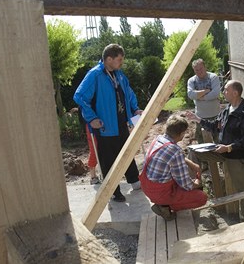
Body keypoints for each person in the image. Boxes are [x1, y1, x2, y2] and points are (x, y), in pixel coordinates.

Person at [74, 44, 142, 202]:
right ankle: (113, 191)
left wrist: (135, 110)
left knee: (127, 151)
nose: (121, 63)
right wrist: (92, 118)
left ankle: (135, 181)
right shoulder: (95, 75)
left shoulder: (119, 75)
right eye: (119, 60)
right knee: (108, 159)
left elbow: (128, 93)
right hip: (105, 127)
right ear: (109, 59)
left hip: (121, 123)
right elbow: (80, 96)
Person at [186, 80, 244, 221]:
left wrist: (230, 147)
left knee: (243, 192)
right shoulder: (227, 109)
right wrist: (197, 119)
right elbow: (215, 126)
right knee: (193, 153)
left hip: (236, 155)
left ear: (235, 93)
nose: (223, 92)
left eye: (226, 90)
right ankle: (193, 186)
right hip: (221, 151)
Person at [140, 115, 207, 221]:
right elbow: (187, 185)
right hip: (160, 194)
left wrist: (191, 164)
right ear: (181, 134)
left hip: (147, 187)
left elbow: (170, 156)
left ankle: (163, 204)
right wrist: (197, 182)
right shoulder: (175, 151)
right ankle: (164, 207)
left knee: (178, 178)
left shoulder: (159, 139)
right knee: (201, 197)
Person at [187, 59, 221, 143]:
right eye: (196, 70)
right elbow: (191, 94)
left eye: (201, 68)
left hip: (215, 115)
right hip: (200, 117)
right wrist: (206, 91)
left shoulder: (213, 77)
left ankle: (219, 156)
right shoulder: (192, 81)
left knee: (218, 139)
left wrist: (201, 97)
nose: (199, 71)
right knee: (202, 141)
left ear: (205, 67)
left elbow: (215, 93)